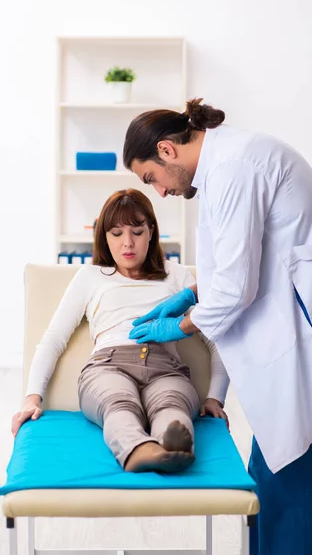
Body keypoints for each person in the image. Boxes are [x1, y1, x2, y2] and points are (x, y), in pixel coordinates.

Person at [122, 98, 312, 554]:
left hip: (301, 328)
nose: (158, 192)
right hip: (287, 321)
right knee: (270, 464)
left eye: (151, 179)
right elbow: (237, 260)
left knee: (292, 466)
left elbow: (238, 284)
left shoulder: (235, 167)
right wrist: (194, 293)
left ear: (166, 150)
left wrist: (180, 325)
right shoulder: (223, 166)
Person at [11, 188, 229, 474]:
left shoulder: (177, 275)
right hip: (108, 367)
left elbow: (216, 337)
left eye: (137, 232)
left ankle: (175, 447)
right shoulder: (90, 277)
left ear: (151, 231)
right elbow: (54, 338)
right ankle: (139, 450)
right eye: (116, 233)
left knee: (172, 404)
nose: (128, 243)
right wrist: (31, 397)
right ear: (104, 236)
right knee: (118, 403)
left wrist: (215, 397)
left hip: (167, 368)